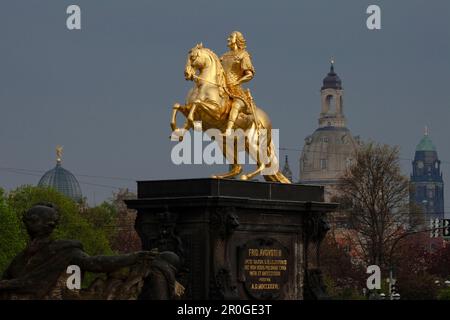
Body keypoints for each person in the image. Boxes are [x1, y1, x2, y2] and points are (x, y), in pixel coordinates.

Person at [0, 203, 156, 299]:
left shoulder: (65, 250)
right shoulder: (21, 257)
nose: (27, 222)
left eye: (33, 219)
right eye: (27, 219)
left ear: (50, 224)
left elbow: (96, 263)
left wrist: (132, 257)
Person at [220, 31, 255, 136]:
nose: (228, 39)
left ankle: (229, 130)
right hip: (221, 87)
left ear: (237, 39)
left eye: (231, 37)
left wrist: (237, 82)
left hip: (235, 89)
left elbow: (249, 74)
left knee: (236, 104)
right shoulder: (223, 56)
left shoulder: (243, 55)